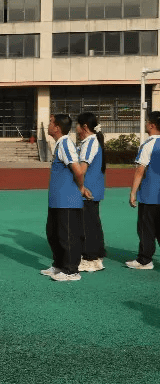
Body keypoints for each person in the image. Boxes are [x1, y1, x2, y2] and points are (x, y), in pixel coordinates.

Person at [42, 114, 90, 282]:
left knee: (68, 236)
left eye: (50, 122)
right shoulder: (59, 144)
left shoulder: (65, 143)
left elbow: (78, 171)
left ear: (56, 128)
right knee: (53, 233)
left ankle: (71, 270)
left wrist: (81, 188)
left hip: (67, 200)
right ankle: (59, 265)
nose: (48, 125)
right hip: (57, 200)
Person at [127, 110, 160, 271]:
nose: (145, 123)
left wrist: (133, 192)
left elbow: (140, 170)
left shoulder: (149, 144)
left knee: (146, 228)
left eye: (147, 121)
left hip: (150, 194)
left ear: (152, 125)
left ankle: (145, 259)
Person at [76, 112, 107, 272]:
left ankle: (90, 259)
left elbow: (82, 168)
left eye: (77, 124)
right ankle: (97, 255)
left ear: (84, 127)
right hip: (93, 187)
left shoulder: (89, 142)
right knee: (93, 223)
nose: (75, 128)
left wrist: (80, 186)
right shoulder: (93, 140)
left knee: (87, 225)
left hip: (87, 189)